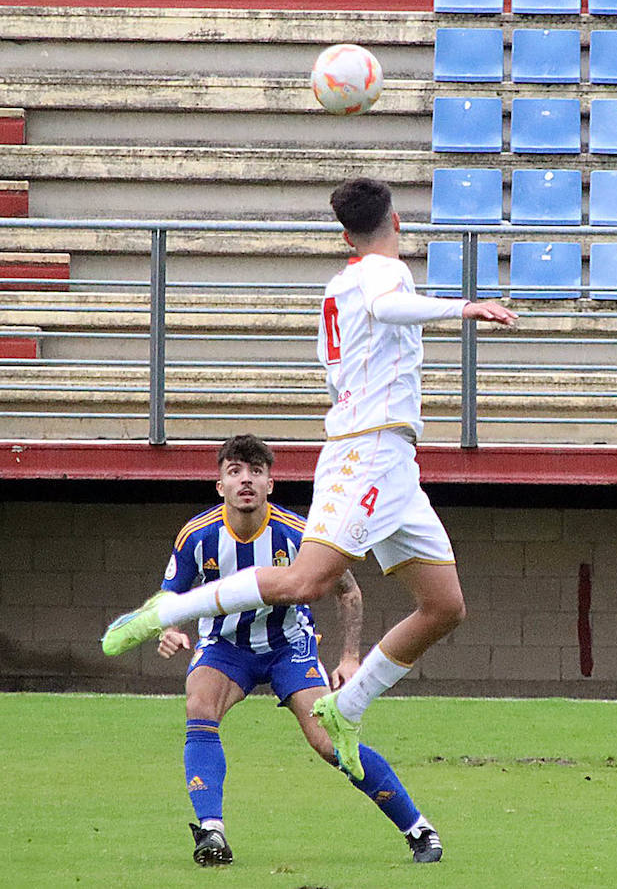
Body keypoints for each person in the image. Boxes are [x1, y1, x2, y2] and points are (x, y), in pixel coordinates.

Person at [103, 176, 516, 798]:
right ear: (396, 221)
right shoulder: (385, 275)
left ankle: (346, 710)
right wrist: (461, 307)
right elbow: (387, 307)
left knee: (444, 606)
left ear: (345, 235)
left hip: (395, 460)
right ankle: (170, 606)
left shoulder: (339, 283)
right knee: (306, 583)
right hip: (369, 449)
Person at [147, 434, 442, 866]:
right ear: (220, 486)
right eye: (235, 472)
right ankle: (211, 832)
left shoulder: (298, 533)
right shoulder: (197, 535)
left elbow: (349, 591)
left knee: (330, 742)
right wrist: (169, 627)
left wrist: (348, 658)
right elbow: (169, 596)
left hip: (290, 646)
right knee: (199, 706)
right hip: (225, 647)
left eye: (256, 472)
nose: (245, 480)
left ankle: (418, 829)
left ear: (271, 484)